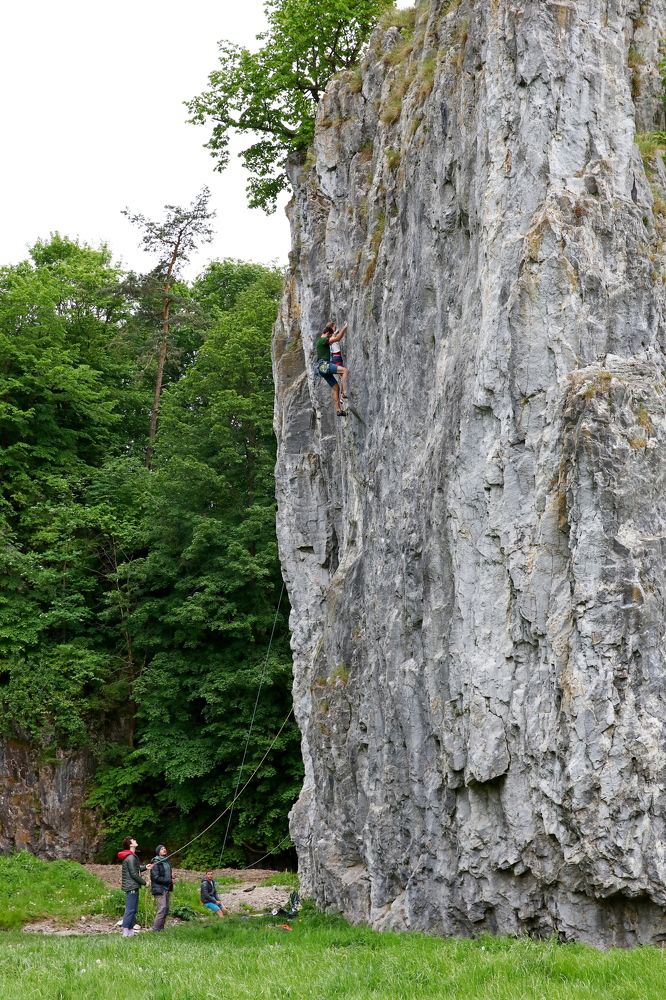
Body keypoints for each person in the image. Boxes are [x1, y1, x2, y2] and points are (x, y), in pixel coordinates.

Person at [314, 321, 349, 416]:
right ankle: (345, 393)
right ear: (326, 334)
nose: (330, 338)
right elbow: (337, 338)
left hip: (321, 369)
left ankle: (338, 410)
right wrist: (345, 327)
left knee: (335, 387)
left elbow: (333, 335)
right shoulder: (323, 340)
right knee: (344, 370)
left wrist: (334, 331)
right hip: (324, 365)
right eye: (329, 335)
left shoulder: (321, 341)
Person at [120, 837, 152, 938]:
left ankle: (130, 931)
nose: (135, 841)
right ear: (130, 844)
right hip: (131, 886)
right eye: (134, 840)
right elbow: (134, 874)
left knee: (133, 909)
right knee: (130, 909)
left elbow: (136, 869)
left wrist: (145, 868)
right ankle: (125, 932)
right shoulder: (130, 857)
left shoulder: (131, 856)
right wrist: (144, 883)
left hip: (132, 886)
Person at [150, 844, 174, 932]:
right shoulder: (155, 862)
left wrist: (171, 876)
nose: (164, 849)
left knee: (166, 909)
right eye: (162, 849)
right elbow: (155, 877)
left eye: (165, 848)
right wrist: (168, 880)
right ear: (158, 851)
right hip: (159, 889)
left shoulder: (166, 861)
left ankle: (161, 929)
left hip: (167, 888)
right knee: (162, 908)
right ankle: (156, 929)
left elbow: (166, 874)